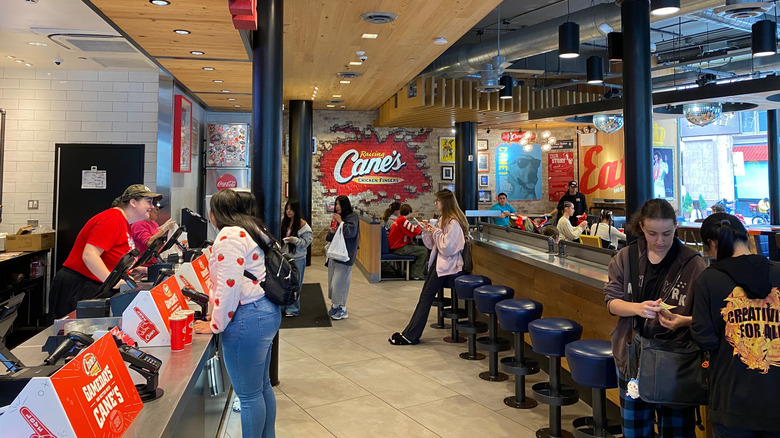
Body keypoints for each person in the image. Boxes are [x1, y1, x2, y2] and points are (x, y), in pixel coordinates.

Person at [603, 198, 707, 438]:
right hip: (632, 355)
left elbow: (708, 314)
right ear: (641, 227)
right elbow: (612, 302)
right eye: (652, 234)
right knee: (635, 430)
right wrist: (637, 308)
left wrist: (683, 321)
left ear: (676, 227)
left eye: (667, 234)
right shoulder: (626, 257)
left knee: (677, 431)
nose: (660, 241)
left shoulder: (693, 263)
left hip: (678, 359)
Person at [193, 189, 281, 438]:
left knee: (249, 395)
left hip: (247, 318)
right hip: (265, 310)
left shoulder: (229, 237)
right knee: (262, 387)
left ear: (214, 214)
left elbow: (229, 287)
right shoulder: (251, 229)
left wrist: (216, 324)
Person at [691, 214, 780, 438]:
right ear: (746, 236)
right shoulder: (778, 271)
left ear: (712, 244)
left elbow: (705, 338)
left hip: (731, 400)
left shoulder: (707, 280)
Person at [48, 184, 161, 321]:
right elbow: (90, 255)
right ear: (133, 202)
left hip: (93, 284)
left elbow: (113, 257)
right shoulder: (112, 219)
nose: (152, 206)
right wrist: (112, 282)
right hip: (79, 285)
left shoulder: (124, 222)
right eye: (148, 201)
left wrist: (138, 270)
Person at [388, 189, 468, 345]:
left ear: (445, 202)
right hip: (439, 263)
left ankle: (411, 335)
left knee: (426, 298)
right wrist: (427, 232)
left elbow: (447, 248)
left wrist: (435, 231)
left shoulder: (454, 223)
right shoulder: (443, 219)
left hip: (448, 266)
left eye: (438, 201)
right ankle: (410, 333)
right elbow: (433, 245)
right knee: (424, 297)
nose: (436, 203)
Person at [326, 195, 360, 320]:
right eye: (336, 204)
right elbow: (330, 238)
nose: (337, 207)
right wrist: (331, 231)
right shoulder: (337, 217)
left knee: (339, 283)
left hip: (345, 255)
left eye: (339, 204)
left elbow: (350, 233)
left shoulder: (352, 217)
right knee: (332, 283)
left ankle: (342, 309)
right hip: (334, 254)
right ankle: (335, 305)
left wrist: (340, 222)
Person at [280, 199, 312, 317]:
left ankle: (293, 309)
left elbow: (305, 243)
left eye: (291, 209)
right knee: (284, 282)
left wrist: (294, 240)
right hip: (285, 256)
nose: (288, 211)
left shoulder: (303, 226)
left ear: (296, 210)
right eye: (287, 209)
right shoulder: (284, 221)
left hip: (298, 258)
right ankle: (284, 305)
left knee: (295, 283)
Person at [388, 203, 428, 280]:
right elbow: (413, 232)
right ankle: (416, 274)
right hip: (399, 248)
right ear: (409, 212)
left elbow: (409, 229)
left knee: (417, 248)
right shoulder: (403, 220)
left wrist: (417, 227)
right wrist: (421, 229)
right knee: (423, 250)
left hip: (394, 247)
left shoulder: (399, 220)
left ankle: (414, 272)